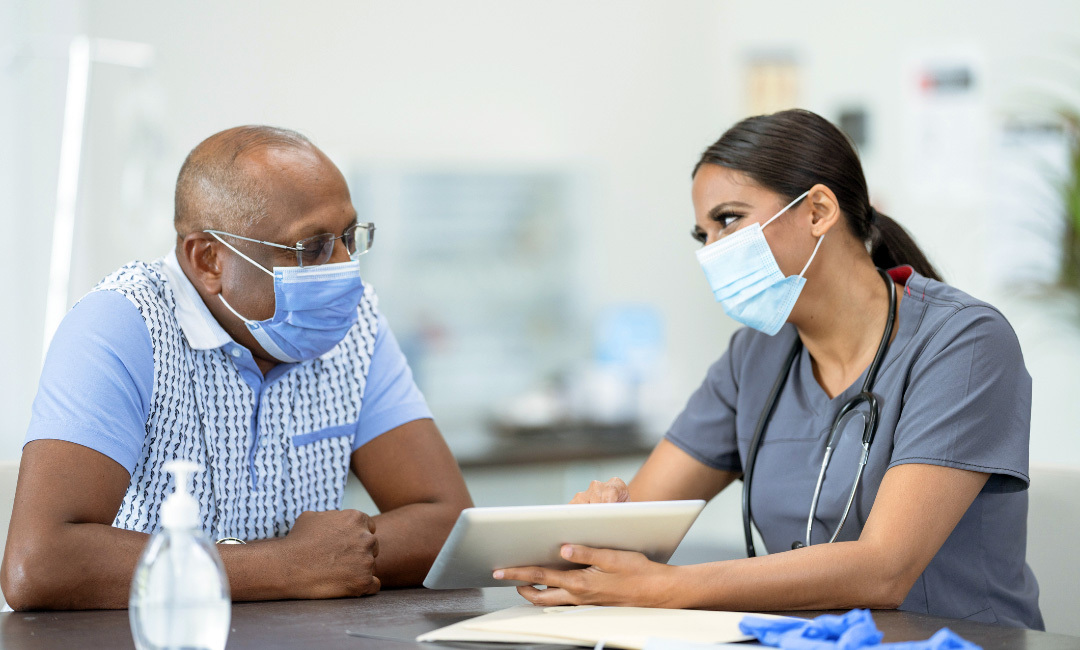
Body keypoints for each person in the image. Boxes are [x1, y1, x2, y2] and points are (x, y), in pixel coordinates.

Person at [494, 109, 1044, 630]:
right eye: (702, 236)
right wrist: (602, 524)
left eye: (729, 220)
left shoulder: (963, 342)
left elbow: (884, 570)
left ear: (818, 211)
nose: (712, 251)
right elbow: (639, 526)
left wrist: (666, 587)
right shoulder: (754, 357)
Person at [1, 126, 473, 610]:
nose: (343, 267)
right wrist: (286, 566)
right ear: (208, 259)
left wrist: (327, 558)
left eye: (349, 238)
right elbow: (39, 564)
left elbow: (451, 524)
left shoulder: (353, 324)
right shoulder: (123, 323)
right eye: (311, 248)